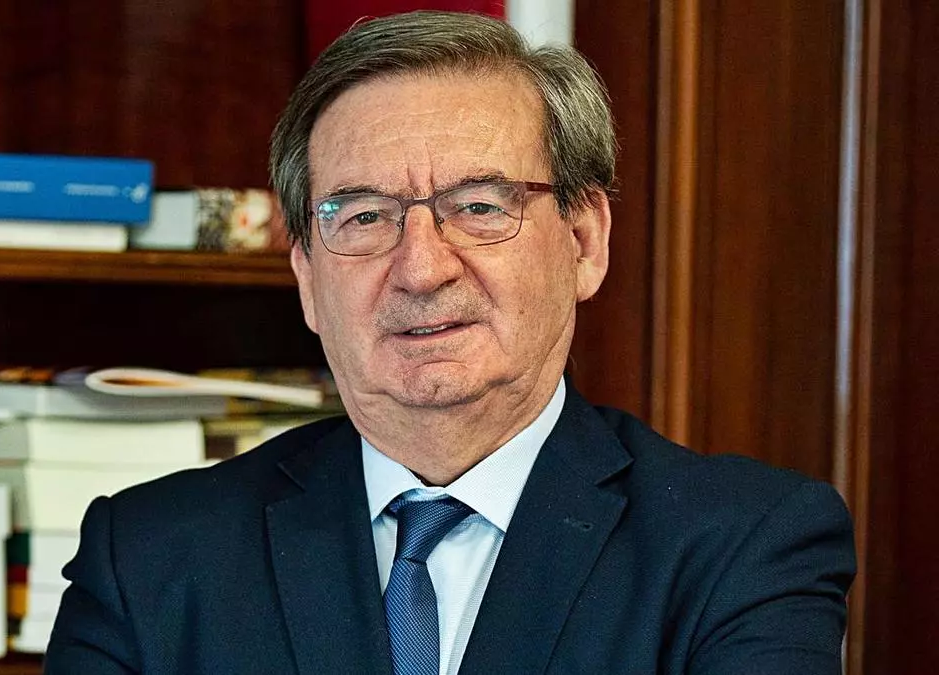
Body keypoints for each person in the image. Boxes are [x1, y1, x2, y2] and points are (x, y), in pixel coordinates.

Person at [45, 11, 855, 675]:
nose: (422, 268)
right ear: (307, 276)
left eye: (478, 206)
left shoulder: (742, 547)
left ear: (584, 240)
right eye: (364, 216)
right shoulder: (149, 557)